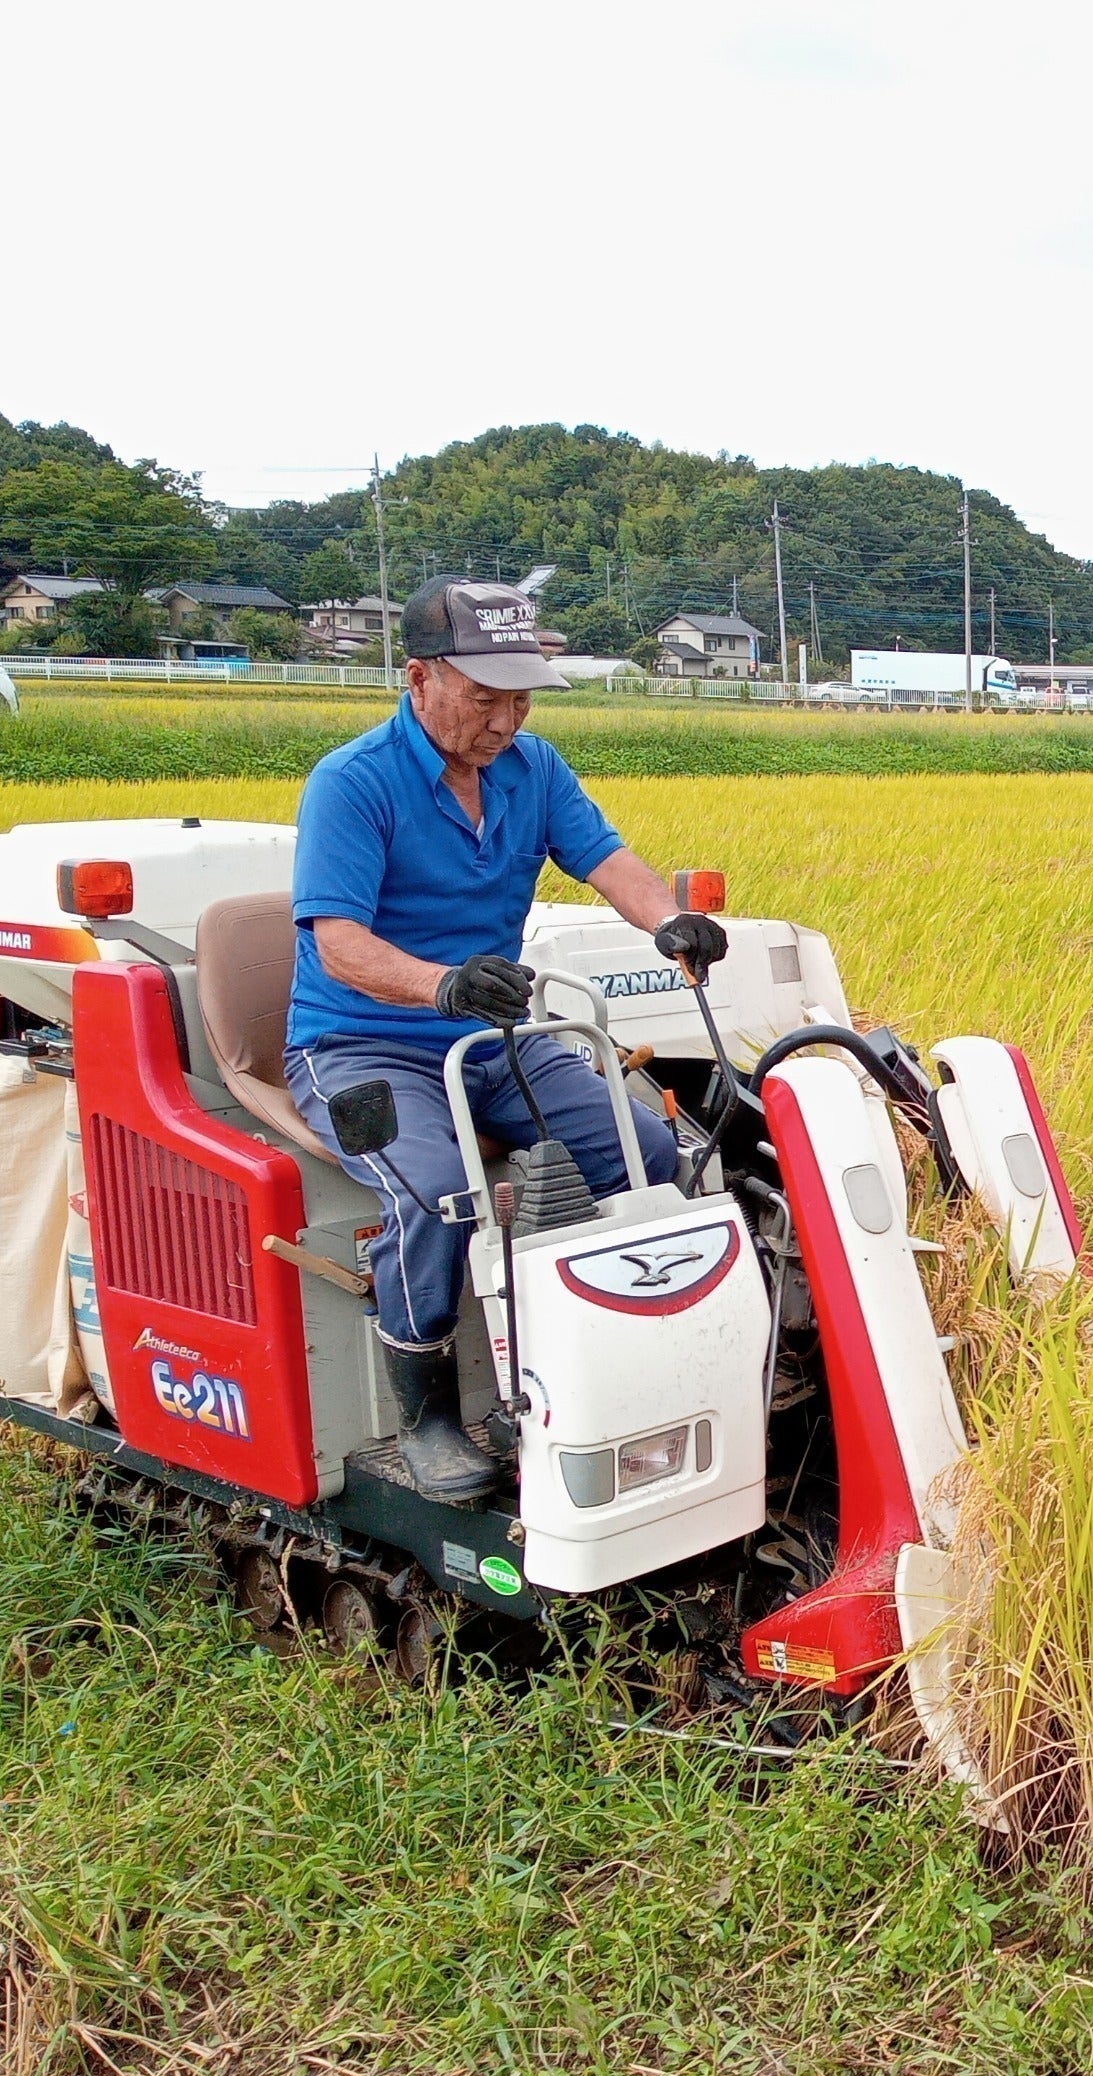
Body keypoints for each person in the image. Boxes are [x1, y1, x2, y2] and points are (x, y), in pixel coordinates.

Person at [284, 577, 725, 1502]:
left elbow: (607, 860)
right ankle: (429, 1415)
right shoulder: (353, 783)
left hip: (490, 1040)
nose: (504, 721)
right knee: (438, 1191)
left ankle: (612, 1356)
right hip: (359, 1047)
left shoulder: (534, 769)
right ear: (419, 677)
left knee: (648, 1152)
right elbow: (340, 945)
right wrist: (440, 984)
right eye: (484, 698)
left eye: (520, 699)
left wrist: (667, 923)